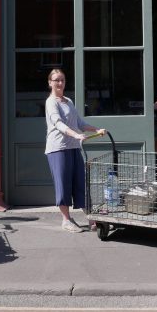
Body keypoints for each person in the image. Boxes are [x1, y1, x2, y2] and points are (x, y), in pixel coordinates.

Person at [45, 69, 106, 233]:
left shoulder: (68, 101)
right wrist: (76, 135)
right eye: (56, 80)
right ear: (50, 82)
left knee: (80, 184)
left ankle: (92, 219)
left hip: (73, 147)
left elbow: (79, 123)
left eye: (62, 80)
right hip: (58, 149)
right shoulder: (51, 102)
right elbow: (58, 123)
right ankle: (66, 220)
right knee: (63, 184)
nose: (60, 83)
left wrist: (96, 129)